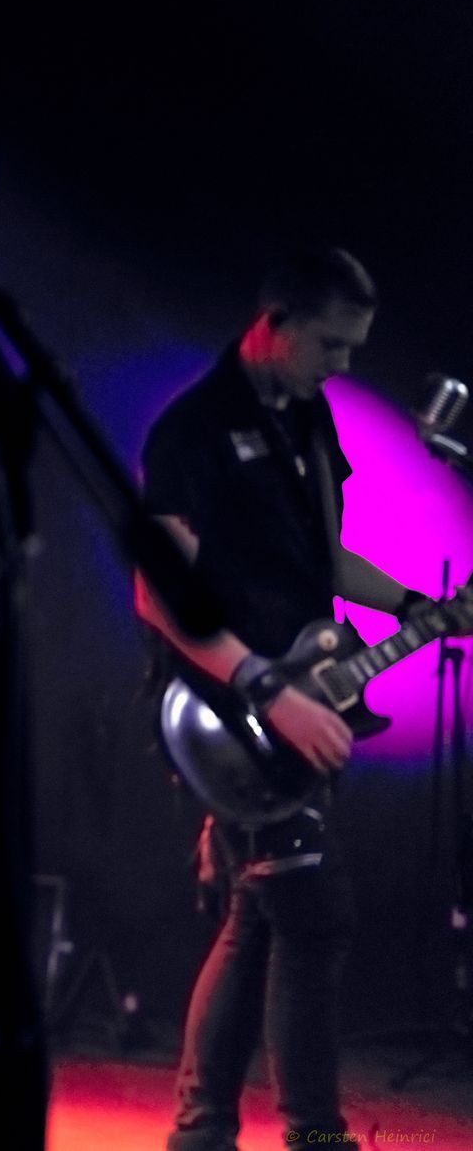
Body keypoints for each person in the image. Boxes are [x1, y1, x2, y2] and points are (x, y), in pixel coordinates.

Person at [136, 248, 432, 1149]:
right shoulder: (191, 430)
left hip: (301, 696)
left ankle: (203, 1129)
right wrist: (266, 689)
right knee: (314, 916)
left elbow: (327, 560)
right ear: (275, 323)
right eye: (331, 347)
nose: (343, 368)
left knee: (257, 918)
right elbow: (157, 594)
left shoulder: (310, 421)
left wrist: (419, 608)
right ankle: (313, 1135)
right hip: (224, 713)